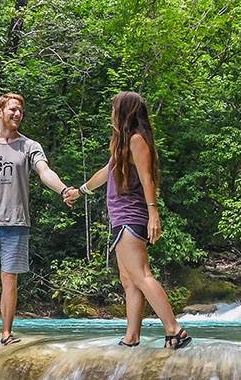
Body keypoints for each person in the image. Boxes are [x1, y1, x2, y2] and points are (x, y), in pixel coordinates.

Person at [68, 91, 192, 350]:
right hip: (120, 217)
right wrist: (79, 192)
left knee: (141, 274)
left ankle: (174, 329)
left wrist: (153, 213)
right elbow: (104, 174)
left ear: (124, 113)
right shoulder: (121, 145)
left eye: (115, 109)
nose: (112, 113)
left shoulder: (137, 140)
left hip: (131, 216)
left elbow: (147, 178)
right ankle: (132, 336)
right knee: (129, 279)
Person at [0, 92, 77, 351]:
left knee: (9, 279)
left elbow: (44, 171)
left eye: (21, 111)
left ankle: (6, 333)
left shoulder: (29, 146)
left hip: (16, 224)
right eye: (12, 109)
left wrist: (63, 190)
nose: (17, 114)